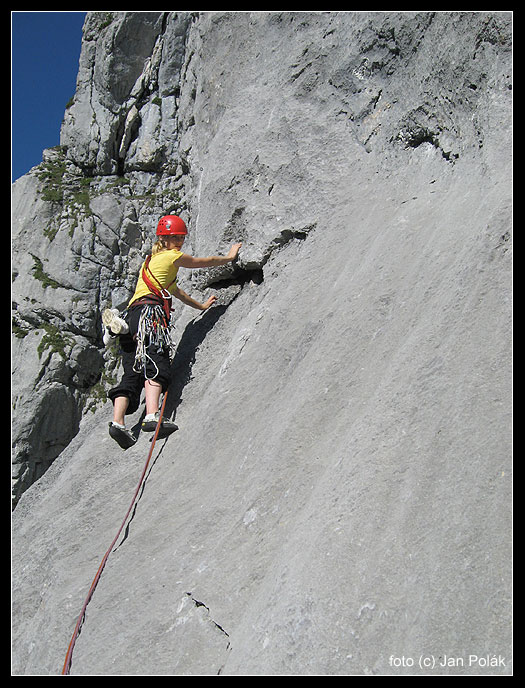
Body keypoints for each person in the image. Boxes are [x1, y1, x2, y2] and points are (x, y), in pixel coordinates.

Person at [103, 214, 242, 449]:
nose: (179, 241)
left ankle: (118, 422)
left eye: (181, 237)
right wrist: (229, 257)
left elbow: (178, 293)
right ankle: (152, 415)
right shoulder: (172, 257)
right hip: (150, 315)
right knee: (154, 361)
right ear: (165, 240)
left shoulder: (152, 262)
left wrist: (201, 306)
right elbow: (203, 261)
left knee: (131, 372)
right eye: (175, 237)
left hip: (131, 318)